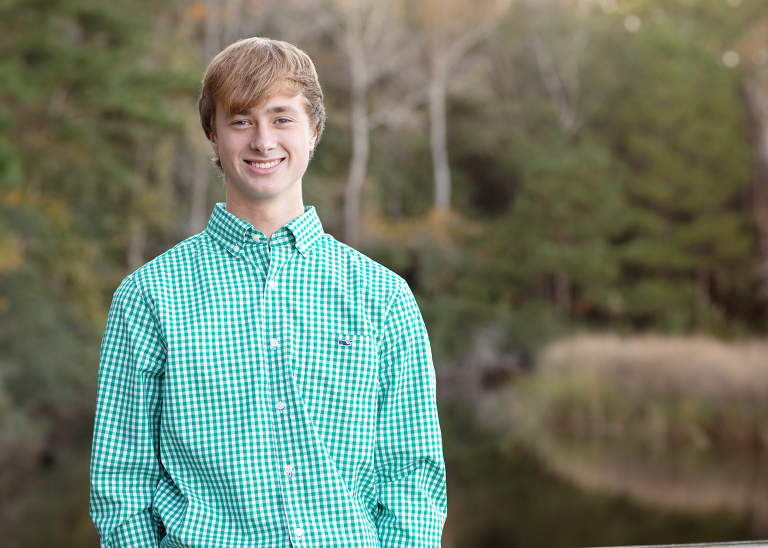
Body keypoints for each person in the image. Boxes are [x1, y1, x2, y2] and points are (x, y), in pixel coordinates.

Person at [89, 37, 447, 547]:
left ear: (313, 131)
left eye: (282, 118)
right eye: (241, 121)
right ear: (213, 137)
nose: (262, 141)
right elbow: (121, 482)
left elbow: (411, 478)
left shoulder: (383, 296)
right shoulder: (149, 296)